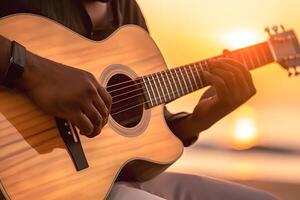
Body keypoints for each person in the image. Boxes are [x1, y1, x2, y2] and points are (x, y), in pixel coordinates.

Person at [0, 0, 279, 199]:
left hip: (101, 181)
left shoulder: (128, 12)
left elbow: (143, 142)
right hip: (38, 182)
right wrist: (36, 72)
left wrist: (199, 121)